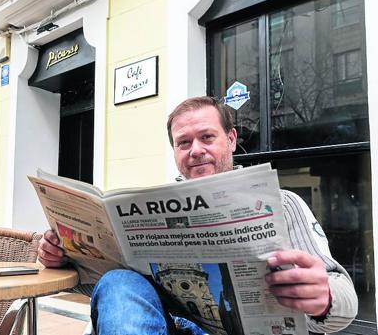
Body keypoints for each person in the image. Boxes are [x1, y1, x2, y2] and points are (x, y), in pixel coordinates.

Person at [38, 96, 358, 335]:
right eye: (183, 143)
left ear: (230, 140)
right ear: (175, 152)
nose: (195, 150)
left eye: (207, 137)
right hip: (171, 327)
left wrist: (325, 297)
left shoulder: (281, 203)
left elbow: (345, 299)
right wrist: (62, 258)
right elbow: (108, 297)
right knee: (118, 281)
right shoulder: (153, 209)